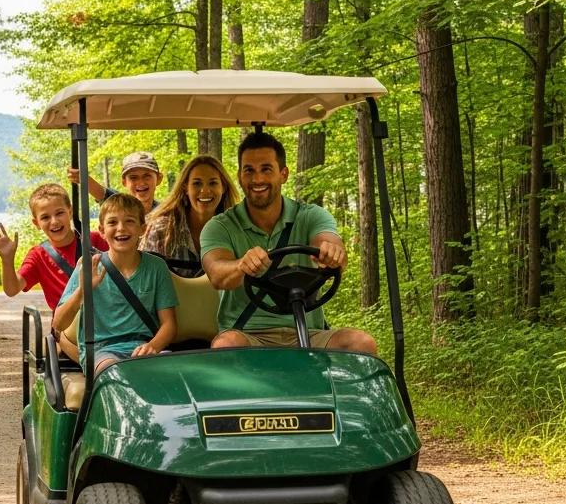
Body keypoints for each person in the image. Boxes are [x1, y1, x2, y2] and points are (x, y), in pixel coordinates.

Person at [200, 132, 377, 354]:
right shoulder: (221, 226)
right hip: (249, 335)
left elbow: (330, 244)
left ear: (283, 174)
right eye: (249, 171)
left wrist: (332, 253)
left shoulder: (310, 215)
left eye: (266, 169)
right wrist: (240, 265)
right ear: (239, 176)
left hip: (308, 332)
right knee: (226, 344)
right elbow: (217, 274)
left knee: (362, 343)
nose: (257, 179)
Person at [53, 193, 177, 375]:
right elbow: (59, 323)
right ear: (102, 231)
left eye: (129, 221)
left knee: (173, 374)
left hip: (143, 347)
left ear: (142, 229)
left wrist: (153, 346)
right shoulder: (89, 266)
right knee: (114, 372)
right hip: (103, 350)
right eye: (112, 223)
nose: (121, 228)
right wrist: (83, 290)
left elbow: (169, 324)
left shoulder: (156, 267)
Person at [0, 184, 108, 360]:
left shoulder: (95, 241)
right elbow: (12, 289)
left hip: (105, 318)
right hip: (68, 324)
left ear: (70, 212)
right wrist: (7, 260)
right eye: (45, 217)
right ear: (36, 223)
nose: (54, 221)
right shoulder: (38, 255)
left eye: (59, 213)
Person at [140, 155, 240, 277]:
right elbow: (144, 279)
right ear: (185, 188)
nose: (205, 190)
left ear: (223, 187)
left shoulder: (235, 230)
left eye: (213, 183)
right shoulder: (162, 229)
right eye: (197, 183)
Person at [67, 151, 163, 216]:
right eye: (133, 177)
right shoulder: (119, 205)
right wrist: (82, 177)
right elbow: (101, 193)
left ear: (159, 179)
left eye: (147, 176)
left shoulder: (166, 211)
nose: (141, 182)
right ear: (124, 182)